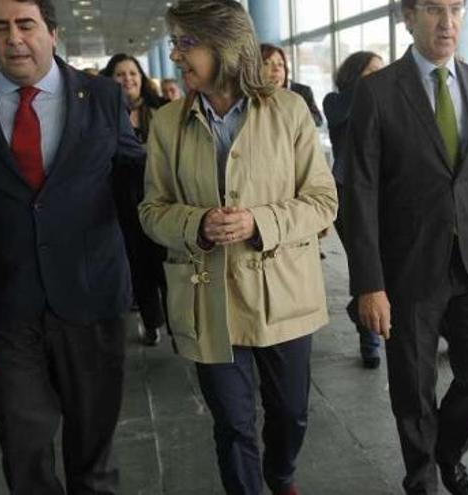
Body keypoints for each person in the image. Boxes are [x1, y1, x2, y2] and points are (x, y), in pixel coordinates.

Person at [0, 0, 145, 493]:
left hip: (92, 297)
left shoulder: (104, 95)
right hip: (7, 304)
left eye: (26, 25)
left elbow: (136, 175)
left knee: (94, 449)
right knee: (23, 443)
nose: (13, 38)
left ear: (51, 31)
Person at [139, 1, 337, 494]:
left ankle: (282, 473)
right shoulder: (166, 123)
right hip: (208, 299)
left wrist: (259, 221)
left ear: (224, 46)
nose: (177, 56)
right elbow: (151, 211)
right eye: (175, 43)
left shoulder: (289, 110)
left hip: (284, 294)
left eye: (187, 43)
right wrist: (197, 223)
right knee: (232, 424)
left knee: (290, 412)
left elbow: (323, 201)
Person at [342, 0, 468, 493]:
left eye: (457, 9)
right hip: (409, 267)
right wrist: (370, 283)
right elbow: (361, 192)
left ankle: (447, 450)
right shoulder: (377, 92)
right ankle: (421, 478)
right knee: (413, 389)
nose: (448, 22)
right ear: (408, 17)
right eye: (435, 10)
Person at [322, 50, 384, 369]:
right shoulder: (336, 101)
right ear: (355, 74)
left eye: (382, 71)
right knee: (362, 262)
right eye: (372, 70)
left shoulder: (386, 100)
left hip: (385, 192)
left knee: (387, 265)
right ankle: (369, 339)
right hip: (348, 193)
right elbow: (340, 117)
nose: (379, 76)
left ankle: (358, 310)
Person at [102, 53, 168, 346]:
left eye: (132, 73)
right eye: (120, 74)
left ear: (142, 78)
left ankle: (178, 321)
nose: (128, 79)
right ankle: (152, 321)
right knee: (138, 265)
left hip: (161, 195)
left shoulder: (162, 110)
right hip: (121, 201)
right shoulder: (101, 114)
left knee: (165, 262)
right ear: (110, 80)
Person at [260, 43, 323, 127]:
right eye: (267, 63)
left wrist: (294, 112)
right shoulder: (249, 100)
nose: (276, 69)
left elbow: (318, 121)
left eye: (280, 64)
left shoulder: (302, 92)